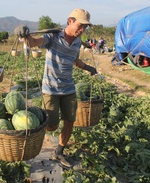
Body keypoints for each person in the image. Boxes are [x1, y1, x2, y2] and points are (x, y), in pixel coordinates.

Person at [14, 8, 97, 168]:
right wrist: (25, 35)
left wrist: (88, 68)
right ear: (70, 21)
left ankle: (58, 152)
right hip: (50, 90)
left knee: (69, 121)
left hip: (68, 89)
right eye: (80, 25)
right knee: (51, 125)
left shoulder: (78, 42)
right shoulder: (52, 37)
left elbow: (75, 61)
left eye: (85, 27)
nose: (82, 30)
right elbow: (34, 42)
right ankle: (35, 132)